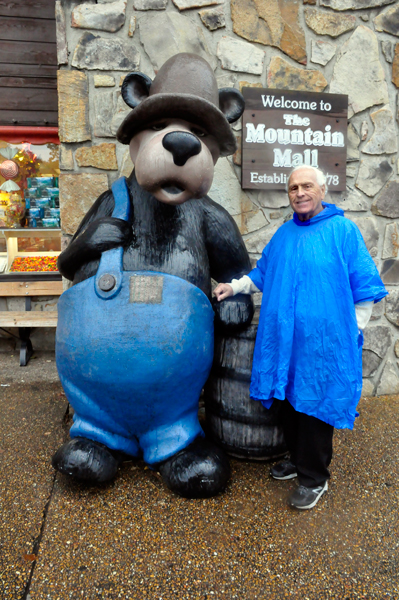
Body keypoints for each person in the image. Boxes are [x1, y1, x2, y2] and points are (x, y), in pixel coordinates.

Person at [214, 165, 387, 510]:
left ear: (323, 190)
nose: (299, 193)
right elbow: (263, 273)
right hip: (284, 341)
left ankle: (314, 478)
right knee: (289, 402)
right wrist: (233, 286)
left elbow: (364, 287)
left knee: (315, 406)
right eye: (293, 188)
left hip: (323, 344)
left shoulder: (343, 232)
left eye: (307, 186)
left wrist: (352, 328)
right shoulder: (284, 234)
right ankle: (298, 459)